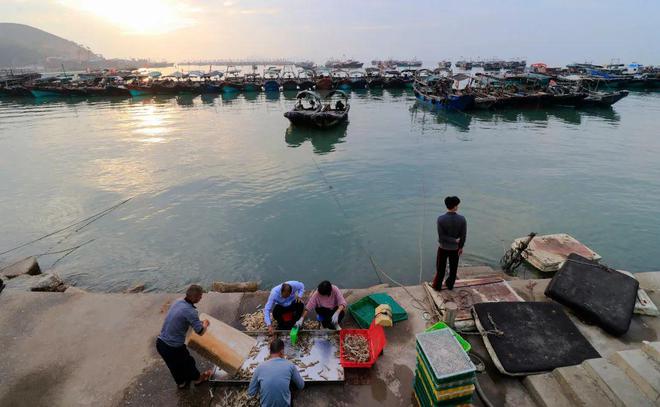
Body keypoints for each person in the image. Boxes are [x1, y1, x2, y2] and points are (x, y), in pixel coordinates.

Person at [156, 284, 213, 388]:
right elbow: (200, 331)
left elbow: (182, 318)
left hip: (160, 343)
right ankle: (197, 379)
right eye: (200, 296)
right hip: (173, 346)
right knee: (188, 362)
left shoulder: (178, 301)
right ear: (194, 297)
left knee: (173, 366)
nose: (201, 298)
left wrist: (197, 322)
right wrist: (204, 324)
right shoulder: (191, 311)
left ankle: (181, 383)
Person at [248, 338, 304, 407]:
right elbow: (301, 385)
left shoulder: (260, 367)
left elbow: (251, 392)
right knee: (291, 382)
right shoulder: (290, 365)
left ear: (270, 352)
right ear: (282, 351)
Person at [433, 196, 467, 291]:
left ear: (446, 206)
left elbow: (441, 237)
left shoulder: (440, 219)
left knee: (440, 269)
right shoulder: (462, 219)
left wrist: (453, 240)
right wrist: (460, 246)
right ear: (455, 207)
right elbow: (463, 236)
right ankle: (450, 285)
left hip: (443, 248)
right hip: (455, 249)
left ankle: (437, 286)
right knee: (453, 269)